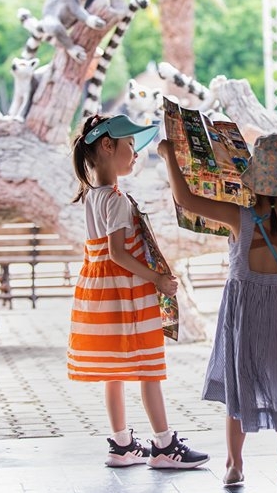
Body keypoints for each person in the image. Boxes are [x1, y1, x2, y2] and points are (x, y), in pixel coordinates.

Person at [157, 132, 277, 490]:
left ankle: (234, 466)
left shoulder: (240, 218)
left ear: (256, 179)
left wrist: (169, 154)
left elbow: (185, 199)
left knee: (239, 385)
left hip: (243, 311)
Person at [69, 113, 209, 470]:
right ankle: (164, 445)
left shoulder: (91, 196)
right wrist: (158, 279)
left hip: (101, 294)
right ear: (106, 146)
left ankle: (122, 444)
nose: (134, 154)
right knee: (149, 370)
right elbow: (118, 253)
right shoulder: (115, 198)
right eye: (129, 146)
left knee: (114, 372)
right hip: (127, 295)